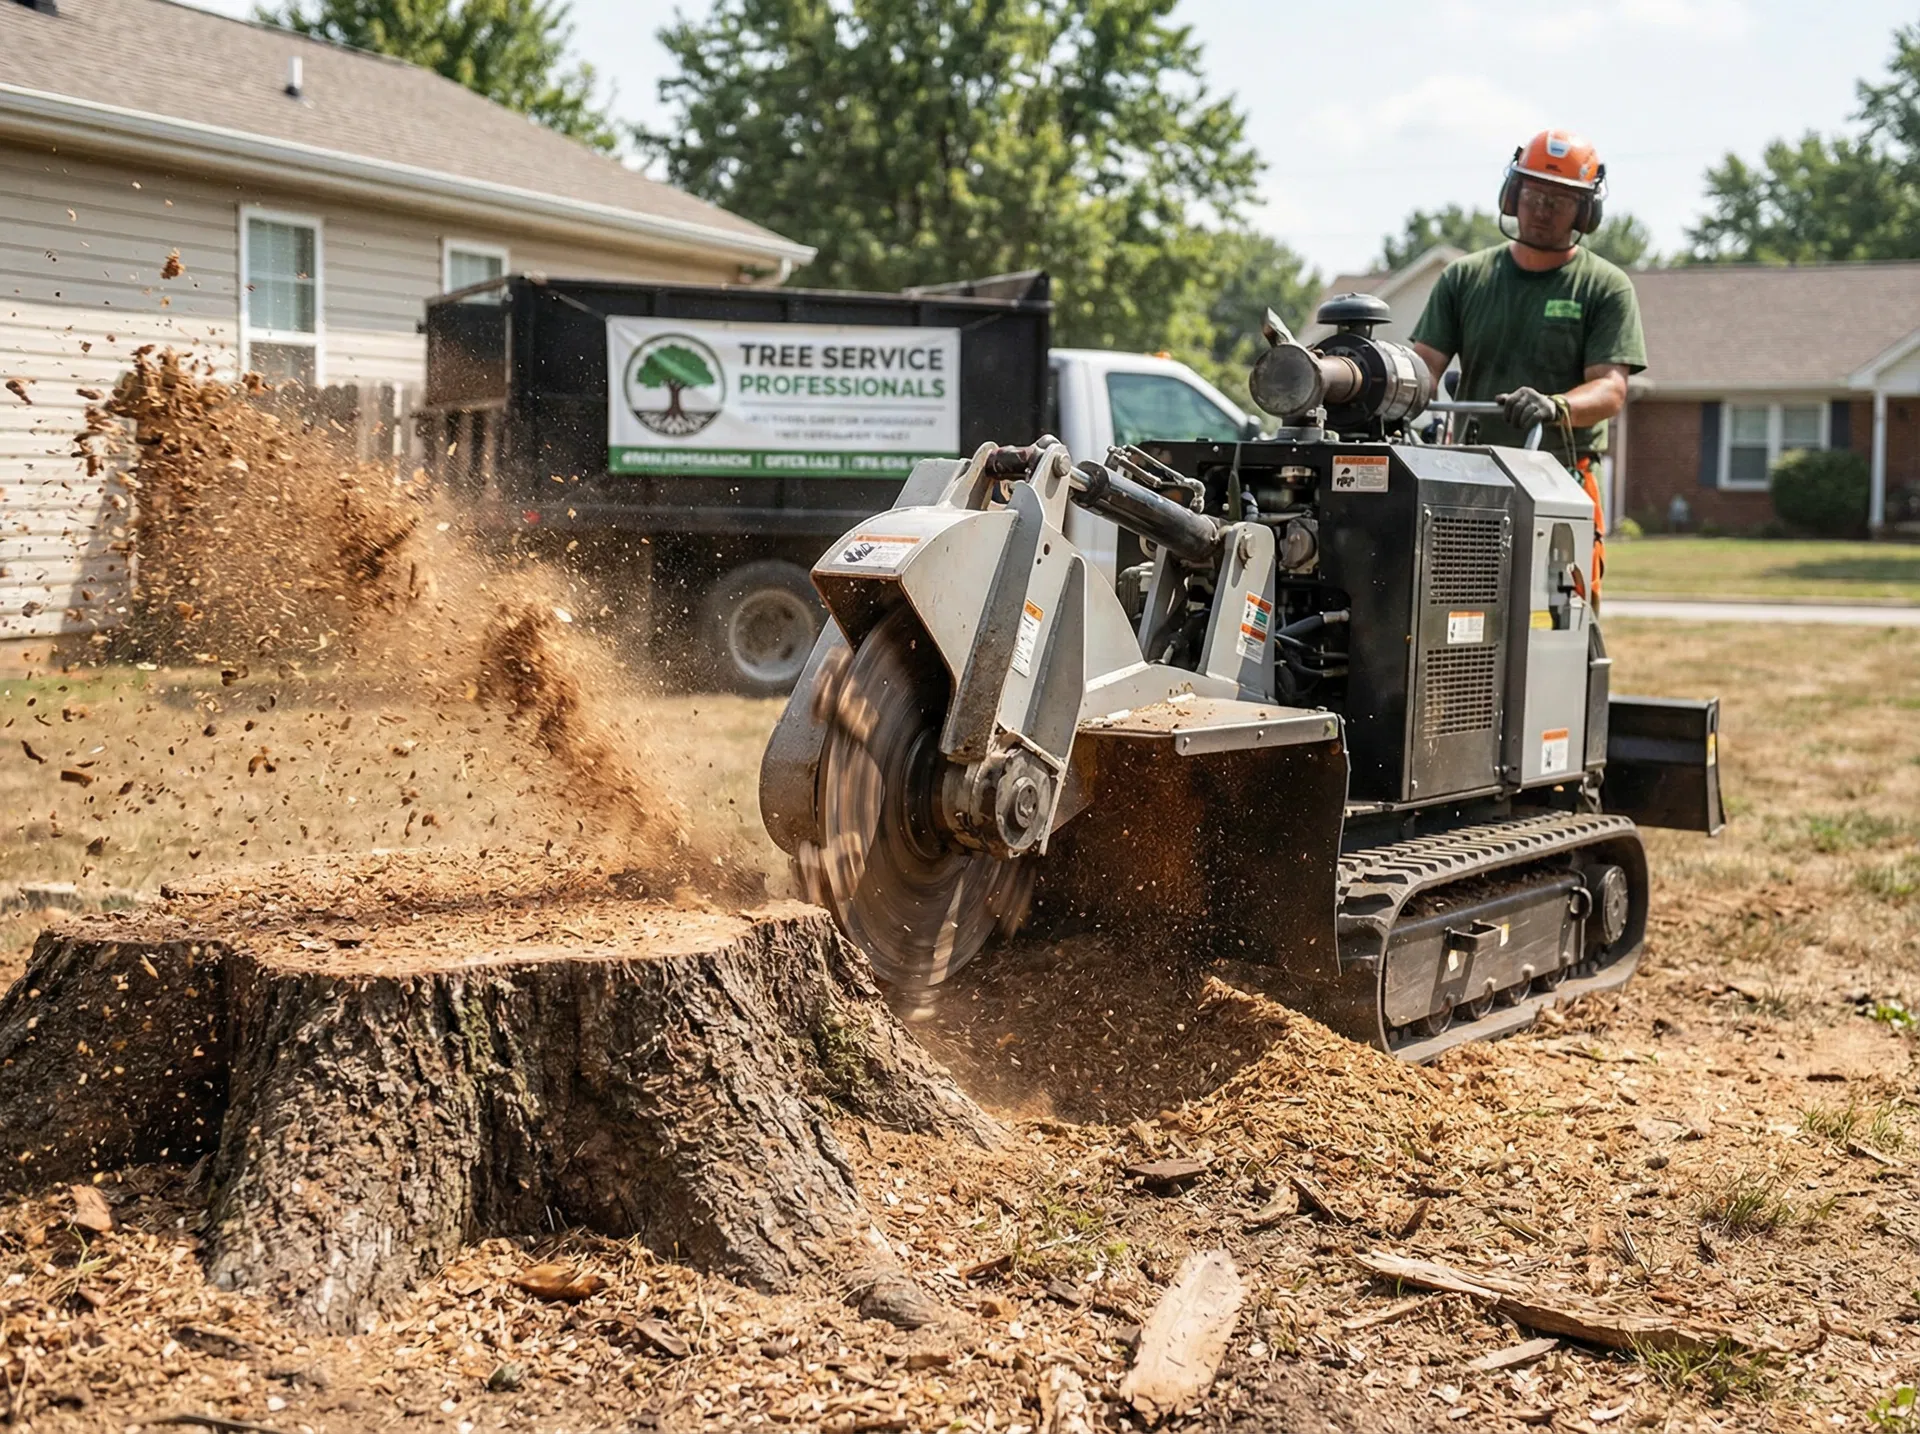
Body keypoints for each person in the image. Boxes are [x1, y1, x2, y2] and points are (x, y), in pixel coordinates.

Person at [1409, 130, 1646, 603]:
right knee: (1461, 612)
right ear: (1512, 194)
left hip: (1561, 478)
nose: (1542, 209)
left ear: (1586, 212)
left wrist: (1555, 406)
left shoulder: (1604, 286)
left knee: (1561, 617)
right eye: (1534, 194)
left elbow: (1610, 389)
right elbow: (1423, 368)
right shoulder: (1465, 278)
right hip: (1472, 481)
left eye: (1560, 200)